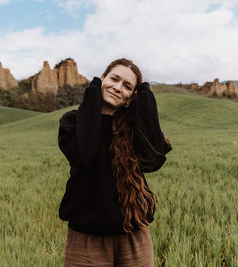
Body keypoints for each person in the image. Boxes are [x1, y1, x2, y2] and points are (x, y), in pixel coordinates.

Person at [58, 58, 172, 266]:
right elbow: (85, 155)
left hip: (133, 233)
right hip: (86, 237)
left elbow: (154, 159)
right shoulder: (72, 122)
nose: (118, 88)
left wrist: (145, 97)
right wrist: (93, 94)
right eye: (114, 79)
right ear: (102, 79)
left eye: (127, 86)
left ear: (132, 96)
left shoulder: (133, 129)